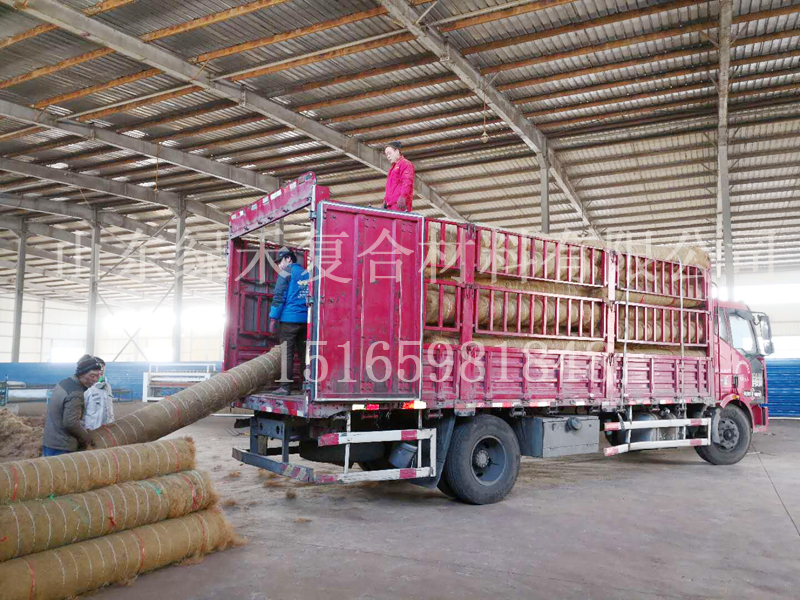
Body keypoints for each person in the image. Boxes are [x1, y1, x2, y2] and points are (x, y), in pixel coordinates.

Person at [42, 355, 102, 456]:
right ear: (82, 373)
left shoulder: (64, 383)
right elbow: (71, 423)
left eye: (98, 375)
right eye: (92, 375)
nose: (96, 379)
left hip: (50, 441)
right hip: (62, 446)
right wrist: (87, 438)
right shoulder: (75, 393)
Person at [268, 247, 309, 396]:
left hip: (289, 320)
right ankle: (306, 388)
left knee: (287, 354)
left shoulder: (286, 273)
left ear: (289, 259)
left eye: (281, 261)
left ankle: (285, 387)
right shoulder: (307, 274)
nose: (279, 265)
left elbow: (279, 296)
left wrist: (273, 317)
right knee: (305, 355)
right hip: (305, 321)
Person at [82, 357, 114, 431]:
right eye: (99, 367)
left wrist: (112, 422)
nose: (102, 370)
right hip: (91, 430)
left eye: (103, 367)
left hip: (106, 429)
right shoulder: (87, 388)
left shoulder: (107, 387)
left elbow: (110, 408)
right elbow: (81, 413)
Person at [383, 141, 415, 212]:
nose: (388, 156)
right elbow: (389, 187)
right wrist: (385, 201)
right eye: (386, 154)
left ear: (397, 151)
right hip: (390, 205)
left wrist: (403, 196)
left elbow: (407, 181)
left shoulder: (405, 164)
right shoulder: (392, 168)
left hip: (399, 204)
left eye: (389, 153)